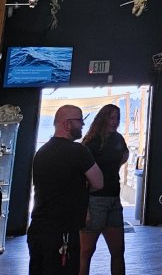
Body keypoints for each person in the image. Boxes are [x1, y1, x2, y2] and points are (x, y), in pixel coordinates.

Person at [29, 104, 103, 275]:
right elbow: (99, 182)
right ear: (67, 124)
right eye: (80, 120)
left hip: (38, 229)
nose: (83, 125)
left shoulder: (42, 152)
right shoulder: (78, 151)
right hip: (63, 232)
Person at [80, 103, 129, 275]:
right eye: (111, 117)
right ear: (103, 118)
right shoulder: (91, 143)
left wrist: (112, 170)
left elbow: (124, 155)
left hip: (114, 200)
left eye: (117, 118)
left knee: (118, 251)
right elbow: (81, 177)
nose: (115, 121)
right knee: (86, 252)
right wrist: (85, 208)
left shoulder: (118, 139)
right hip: (94, 201)